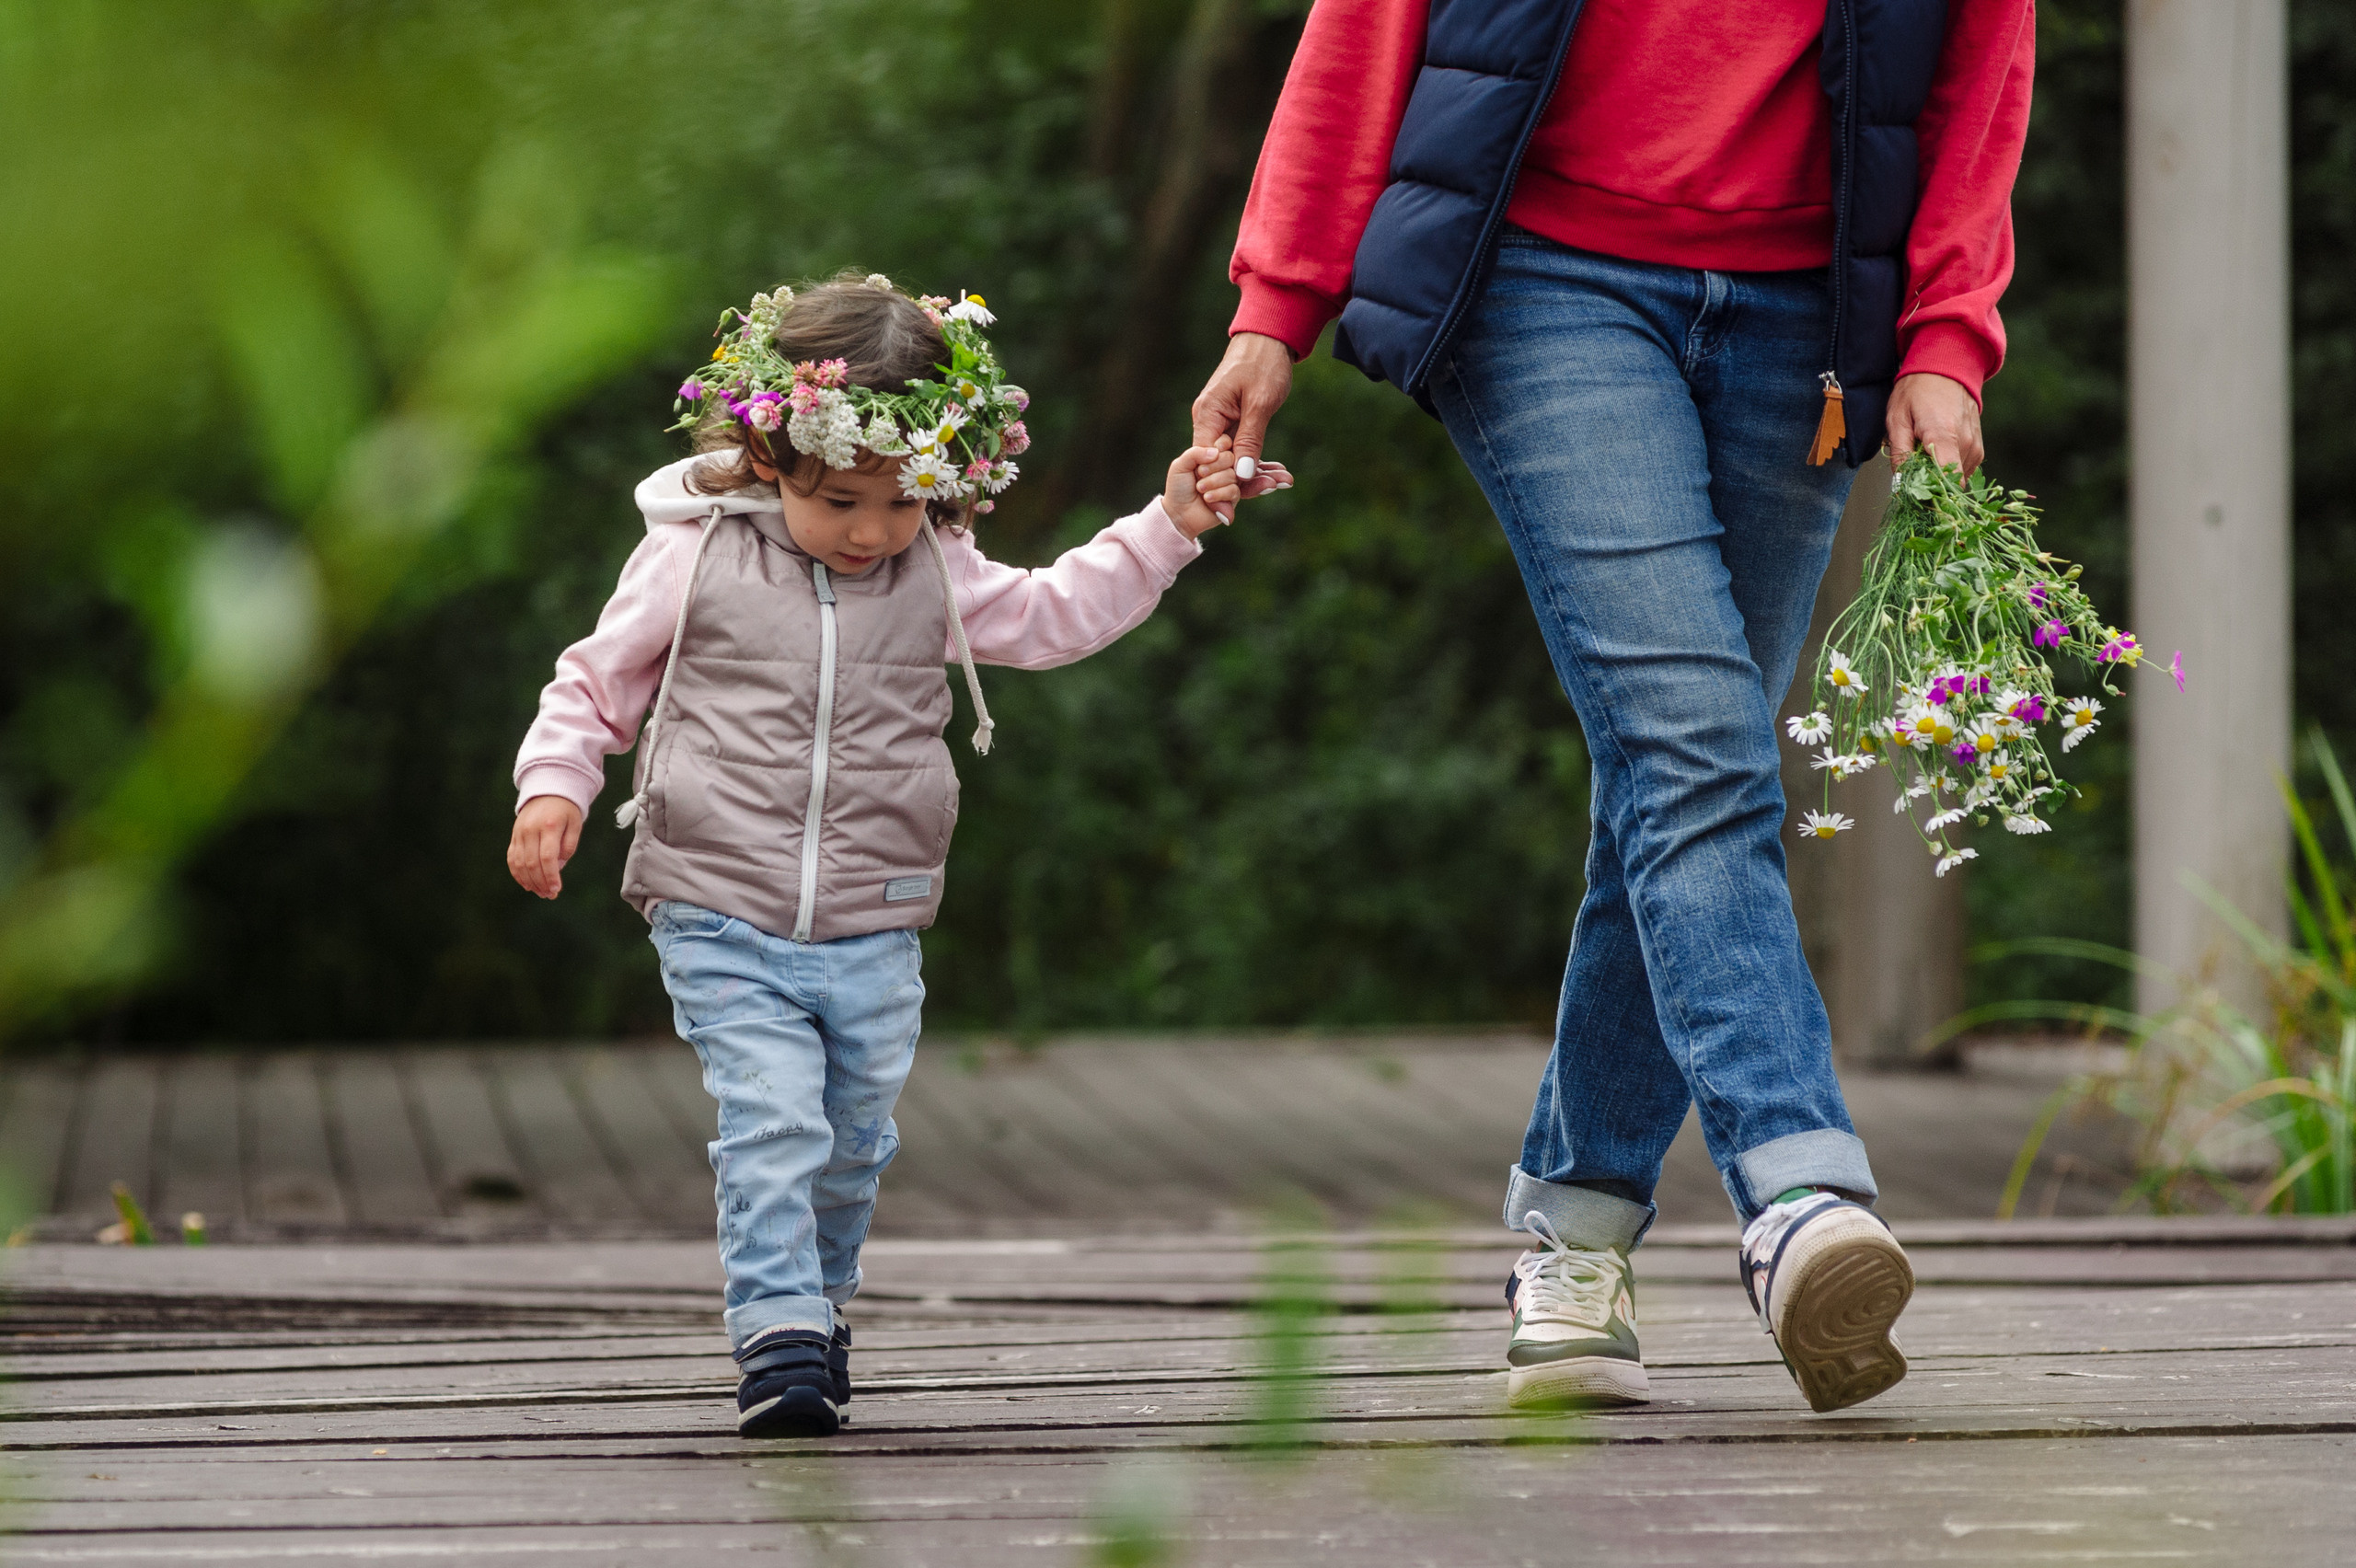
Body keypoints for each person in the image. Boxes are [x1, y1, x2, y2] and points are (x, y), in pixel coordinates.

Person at [1192, 0, 2031, 1413]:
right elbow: (1368, 27)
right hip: (1545, 278)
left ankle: (1573, 1234)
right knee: (1694, 748)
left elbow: (1979, 71)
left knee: (1674, 768)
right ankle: (1797, 1189)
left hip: (1808, 317)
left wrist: (1948, 328)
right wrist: (1278, 301)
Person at [506, 273, 1289, 1437]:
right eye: (840, 502)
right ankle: (776, 1338)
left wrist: (1167, 526)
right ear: (773, 458)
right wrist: (555, 784)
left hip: (876, 913)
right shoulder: (694, 553)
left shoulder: (933, 563)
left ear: (942, 475)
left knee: (852, 1138)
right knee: (774, 1118)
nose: (871, 531)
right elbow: (597, 679)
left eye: (900, 499)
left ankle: (818, 1309)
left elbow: (1053, 614)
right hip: (717, 900)